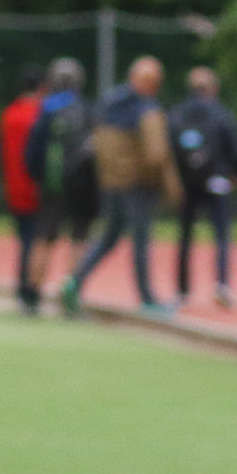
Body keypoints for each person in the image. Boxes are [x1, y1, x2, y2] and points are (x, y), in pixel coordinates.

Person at [61, 55, 180, 319]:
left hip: (110, 182)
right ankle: (147, 299)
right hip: (137, 184)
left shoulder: (109, 101)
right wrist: (165, 184)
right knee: (140, 240)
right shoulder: (147, 108)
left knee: (108, 237)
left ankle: (74, 281)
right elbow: (156, 153)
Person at [168, 65, 237, 310]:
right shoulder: (221, 113)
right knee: (221, 234)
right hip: (217, 181)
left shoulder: (177, 114)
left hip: (187, 184)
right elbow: (234, 147)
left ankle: (182, 290)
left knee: (185, 236)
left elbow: (169, 149)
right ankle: (222, 284)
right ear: (213, 88)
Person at [23, 58, 96, 308]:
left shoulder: (47, 110)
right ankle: (71, 294)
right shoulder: (87, 109)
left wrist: (38, 177)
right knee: (79, 238)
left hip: (54, 184)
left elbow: (33, 151)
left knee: (44, 236)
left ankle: (32, 295)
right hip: (83, 184)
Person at [0, 66, 49, 313]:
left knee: (25, 240)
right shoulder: (39, 115)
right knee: (36, 241)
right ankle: (28, 291)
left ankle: (23, 288)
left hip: (14, 186)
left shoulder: (9, 114)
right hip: (35, 186)